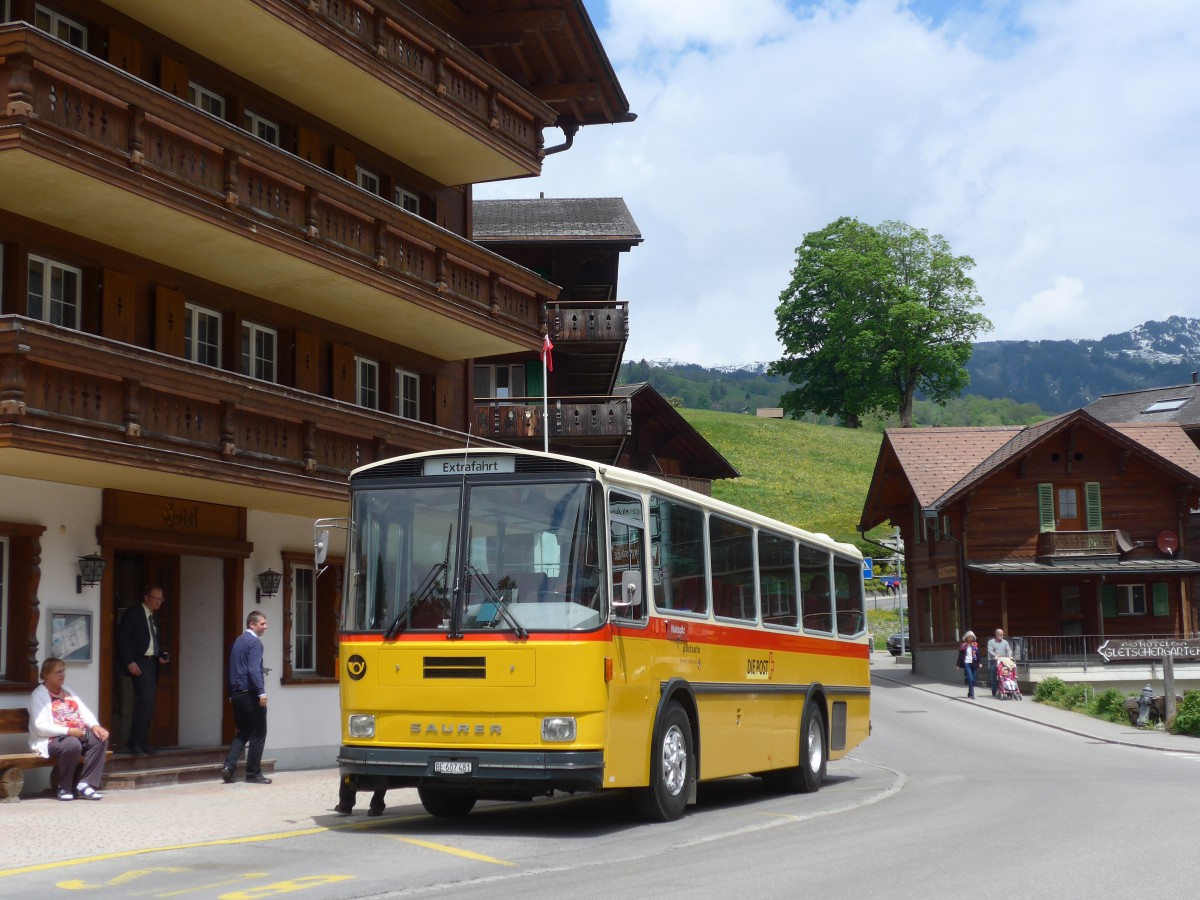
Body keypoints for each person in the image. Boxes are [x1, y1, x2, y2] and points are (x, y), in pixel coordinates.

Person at [29, 657, 111, 800]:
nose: (62, 675)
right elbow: (40, 727)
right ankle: (64, 788)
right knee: (72, 744)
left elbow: (84, 711)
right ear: (46, 675)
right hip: (51, 739)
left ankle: (86, 784)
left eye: (63, 671)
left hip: (76, 734)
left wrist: (95, 726)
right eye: (57, 672)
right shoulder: (39, 695)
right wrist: (68, 731)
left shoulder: (68, 691)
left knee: (99, 739)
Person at [116, 585, 170, 755]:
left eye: (161, 599)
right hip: (138, 663)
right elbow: (122, 639)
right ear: (146, 597)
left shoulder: (152, 617)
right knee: (145, 700)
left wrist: (160, 654)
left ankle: (143, 741)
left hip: (150, 663)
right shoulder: (134, 613)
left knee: (149, 702)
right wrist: (130, 662)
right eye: (156, 598)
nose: (159, 602)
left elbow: (150, 642)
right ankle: (135, 742)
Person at [222, 610, 271, 784]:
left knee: (243, 731)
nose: (265, 626)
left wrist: (231, 693)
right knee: (258, 733)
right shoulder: (254, 643)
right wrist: (261, 691)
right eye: (262, 623)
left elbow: (231, 669)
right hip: (250, 693)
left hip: (237, 694)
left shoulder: (237, 641)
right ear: (252, 624)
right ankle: (253, 773)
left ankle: (228, 767)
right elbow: (253, 669)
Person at [987, 628, 1013, 698]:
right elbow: (990, 650)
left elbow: (1009, 650)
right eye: (1000, 634)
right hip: (994, 661)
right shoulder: (991, 642)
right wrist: (995, 655)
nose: (1002, 636)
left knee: (1005, 676)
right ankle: (994, 691)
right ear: (996, 634)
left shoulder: (1005, 642)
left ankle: (1006, 690)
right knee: (993, 677)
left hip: (1003, 661)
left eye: (1002, 634)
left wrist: (1009, 655)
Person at [956, 630, 981, 699]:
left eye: (971, 637)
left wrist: (980, 662)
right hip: (967, 663)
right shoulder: (964, 645)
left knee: (974, 680)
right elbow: (960, 656)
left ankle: (970, 692)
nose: (970, 639)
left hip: (974, 663)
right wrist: (958, 665)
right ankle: (972, 694)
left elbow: (978, 654)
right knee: (970, 678)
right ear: (966, 638)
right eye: (969, 637)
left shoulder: (975, 645)